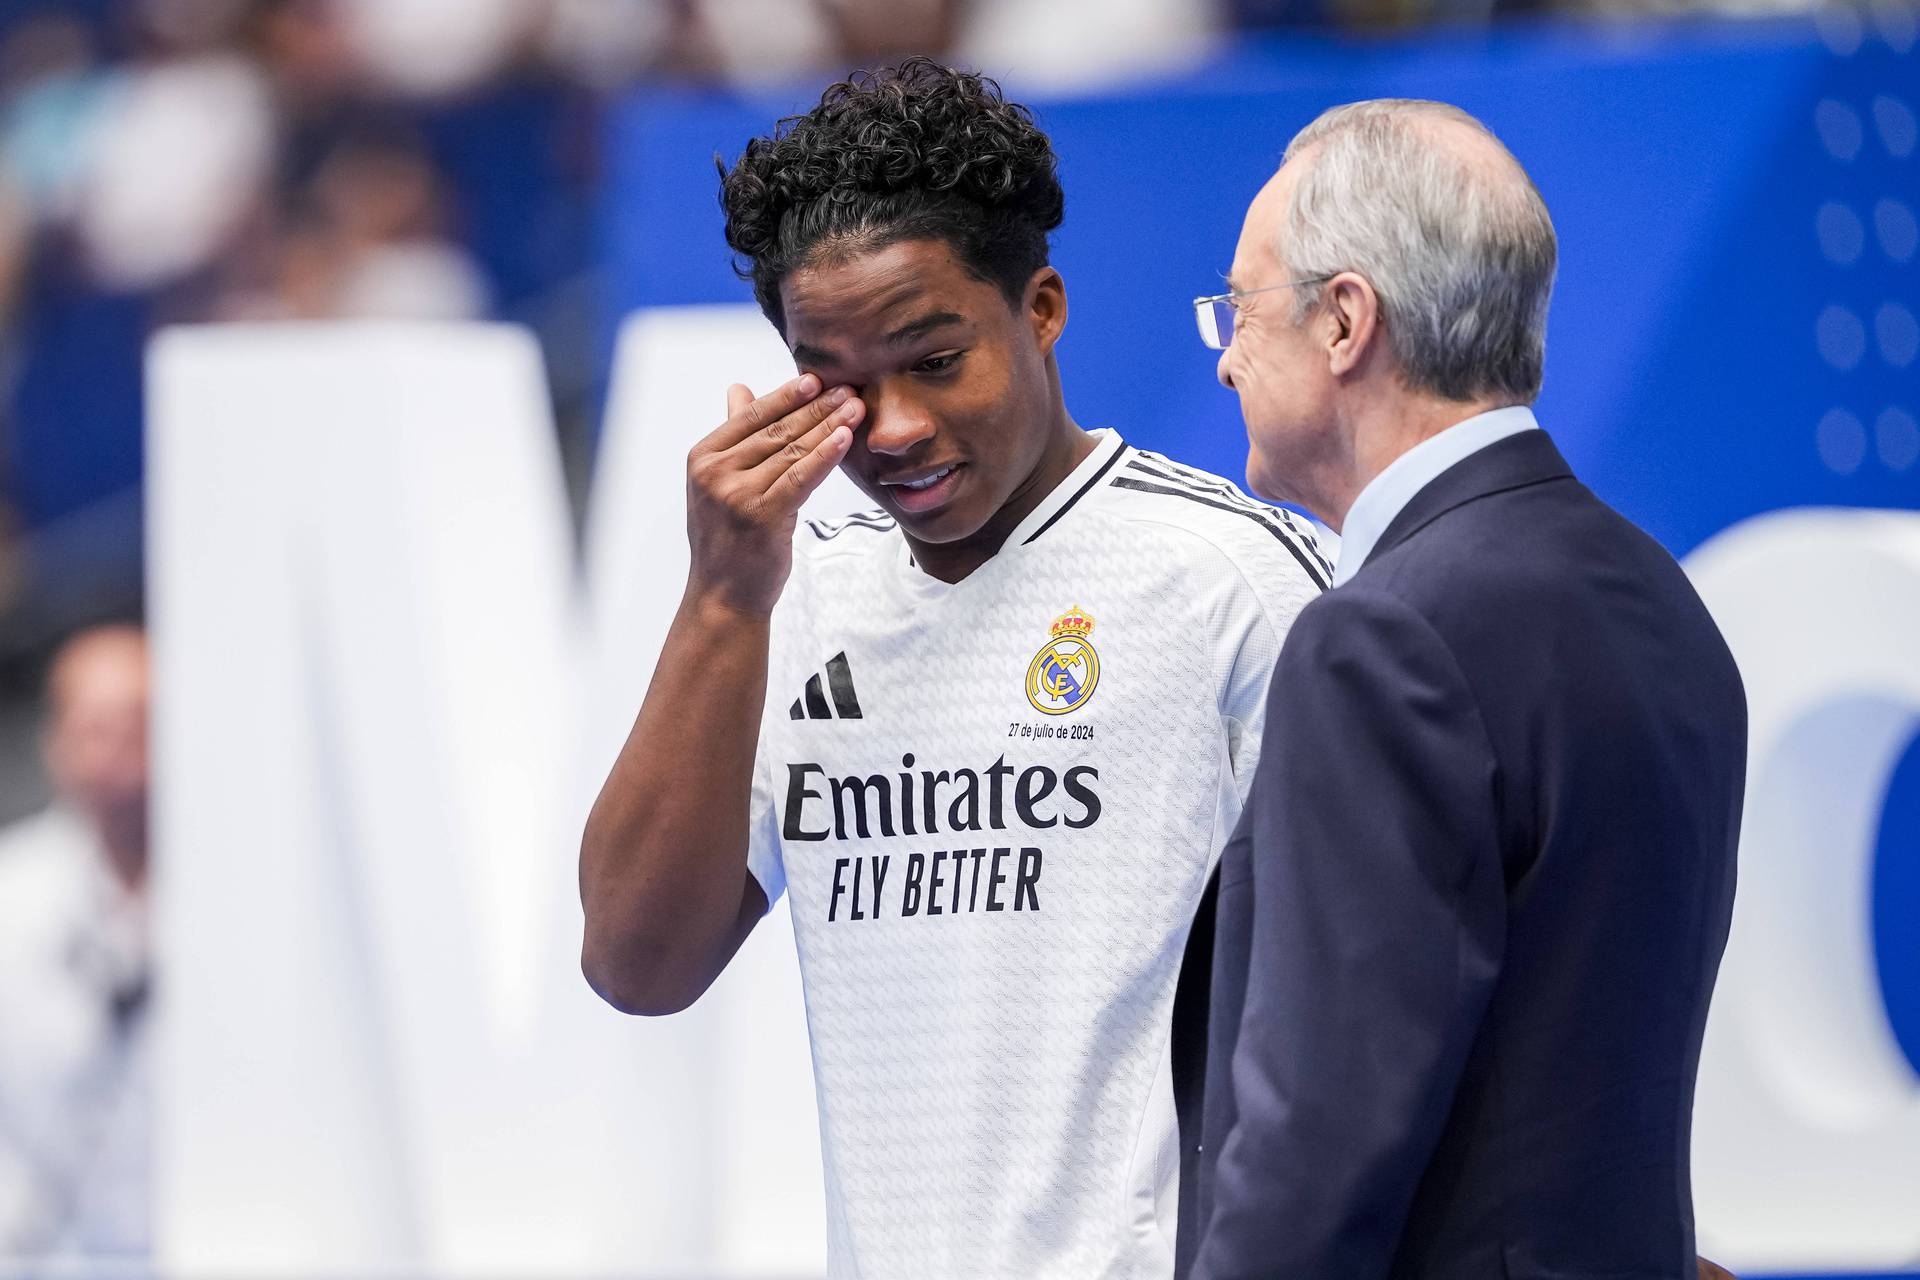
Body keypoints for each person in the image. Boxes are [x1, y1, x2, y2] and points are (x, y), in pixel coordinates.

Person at [580, 59, 1328, 1277]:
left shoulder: (1231, 579)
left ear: (1041, 307)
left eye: (934, 360)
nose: (893, 429)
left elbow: (1404, 983)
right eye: (838, 384)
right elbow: (634, 960)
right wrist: (723, 594)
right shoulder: (794, 591)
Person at [1174, 100, 1746, 1279]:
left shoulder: (1380, 638)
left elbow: (1314, 1144)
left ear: (1344, 321)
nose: (1226, 353)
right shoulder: (1657, 595)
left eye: (1240, 307)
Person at [0, 624, 152, 1261]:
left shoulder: (247, 896)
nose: (112, 755)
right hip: (39, 1246)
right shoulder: (12, 896)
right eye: (91, 728)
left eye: (135, 727)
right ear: (54, 743)